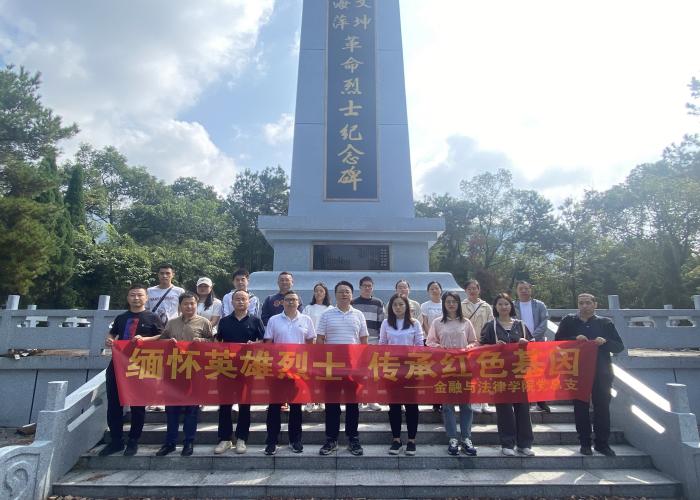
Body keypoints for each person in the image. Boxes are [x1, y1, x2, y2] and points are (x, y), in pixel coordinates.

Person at [555, 293, 624, 457]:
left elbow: (619, 346)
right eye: (581, 303)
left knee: (602, 408)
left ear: (595, 304)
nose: (584, 306)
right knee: (580, 408)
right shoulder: (569, 321)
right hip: (577, 372)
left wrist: (605, 342)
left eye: (588, 303)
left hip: (601, 372)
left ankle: (602, 443)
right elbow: (557, 342)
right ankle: (584, 443)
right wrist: (574, 339)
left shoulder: (605, 323)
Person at [99, 284, 163, 457]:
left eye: (140, 295)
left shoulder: (153, 317)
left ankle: (134, 440)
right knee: (114, 404)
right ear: (128, 298)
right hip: (118, 364)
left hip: (141, 364)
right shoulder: (121, 318)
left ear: (146, 298)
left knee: (138, 405)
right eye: (132, 295)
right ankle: (116, 441)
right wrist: (109, 340)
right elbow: (112, 333)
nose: (136, 298)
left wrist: (145, 339)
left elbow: (162, 336)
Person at [148, 292, 214, 457]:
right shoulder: (172, 323)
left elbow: (213, 344)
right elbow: (161, 341)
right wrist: (168, 342)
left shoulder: (204, 323)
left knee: (192, 408)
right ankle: (170, 443)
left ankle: (188, 442)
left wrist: (203, 342)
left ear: (196, 305)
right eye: (186, 304)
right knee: (171, 408)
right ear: (180, 306)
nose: (189, 307)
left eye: (192, 303)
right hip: (174, 370)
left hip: (194, 370)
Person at [317, 281, 369, 456]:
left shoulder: (359, 315)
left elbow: (363, 341)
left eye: (347, 292)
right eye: (341, 292)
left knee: (353, 404)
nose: (344, 294)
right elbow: (320, 339)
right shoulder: (327, 314)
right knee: (332, 404)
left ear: (352, 295)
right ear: (335, 294)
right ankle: (331, 439)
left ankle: (353, 438)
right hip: (332, 367)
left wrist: (362, 365)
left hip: (353, 367)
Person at [480, 292, 535, 457]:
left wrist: (526, 344)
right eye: (500, 304)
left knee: (523, 408)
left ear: (511, 306)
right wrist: (494, 346)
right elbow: (481, 348)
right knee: (504, 409)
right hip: (500, 374)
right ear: (495, 307)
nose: (503, 307)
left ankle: (524, 444)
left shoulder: (521, 325)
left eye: (506, 304)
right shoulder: (491, 326)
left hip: (519, 373)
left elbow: (535, 347)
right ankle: (507, 443)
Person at [426, 291, 479, 456]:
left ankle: (466, 437)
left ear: (458, 304)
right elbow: (429, 341)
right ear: (444, 304)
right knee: (448, 405)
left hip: (464, 367)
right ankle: (453, 438)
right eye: (448, 301)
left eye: (454, 301)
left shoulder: (466, 322)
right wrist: (439, 347)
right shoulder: (437, 322)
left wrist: (469, 347)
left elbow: (474, 341)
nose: (451, 304)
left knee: (466, 404)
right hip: (445, 367)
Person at [264, 290, 316, 455]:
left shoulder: (306, 319)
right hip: (278, 369)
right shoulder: (273, 320)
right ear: (282, 302)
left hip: (298, 369)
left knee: (296, 406)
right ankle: (271, 441)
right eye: (288, 300)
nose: (291, 302)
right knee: (274, 406)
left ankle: (295, 440)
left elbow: (310, 343)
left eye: (294, 300)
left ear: (299, 303)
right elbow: (268, 343)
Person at [213, 289, 265, 455]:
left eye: (243, 299)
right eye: (237, 299)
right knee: (225, 404)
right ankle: (225, 439)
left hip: (247, 368)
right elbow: (218, 341)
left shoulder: (256, 321)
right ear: (232, 302)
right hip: (227, 367)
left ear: (249, 302)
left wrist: (254, 344)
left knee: (244, 404)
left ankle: (242, 438)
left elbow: (264, 342)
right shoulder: (224, 321)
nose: (240, 302)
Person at [379, 294, 424, 456]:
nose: (398, 307)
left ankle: (411, 440)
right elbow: (382, 344)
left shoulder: (414, 323)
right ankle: (396, 439)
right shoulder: (386, 323)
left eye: (401, 304)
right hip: (392, 369)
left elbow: (419, 345)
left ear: (407, 306)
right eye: (395, 305)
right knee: (394, 406)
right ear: (390, 308)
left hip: (411, 368)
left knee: (411, 405)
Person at [513, 280, 552, 413]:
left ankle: (541, 402)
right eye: (521, 289)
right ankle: (524, 401)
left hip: (537, 343)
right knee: (521, 373)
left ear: (531, 290)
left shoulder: (539, 305)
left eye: (526, 288)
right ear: (517, 291)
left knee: (538, 373)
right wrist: (521, 338)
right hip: (519, 344)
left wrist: (532, 337)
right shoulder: (512, 305)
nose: (524, 291)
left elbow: (544, 322)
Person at [461, 279, 495, 414]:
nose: (472, 291)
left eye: (474, 288)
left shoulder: (486, 306)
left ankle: (484, 401)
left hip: (484, 343)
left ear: (479, 290)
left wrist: (487, 341)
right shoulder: (461, 305)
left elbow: (491, 324)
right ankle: (474, 400)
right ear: (465, 291)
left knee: (484, 373)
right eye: (469, 289)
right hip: (468, 344)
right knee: (472, 373)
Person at [351, 276, 384, 412]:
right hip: (357, 342)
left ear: (372, 287)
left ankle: (371, 400)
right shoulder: (353, 302)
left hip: (373, 341)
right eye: (365, 285)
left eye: (369, 286)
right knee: (357, 372)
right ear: (360, 287)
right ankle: (358, 400)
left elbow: (381, 323)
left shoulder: (378, 303)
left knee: (373, 372)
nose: (367, 288)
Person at [302, 282, 332, 412]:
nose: (318, 293)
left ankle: (321, 400)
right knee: (310, 374)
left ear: (325, 293)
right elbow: (304, 325)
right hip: (311, 345)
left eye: (321, 291)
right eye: (316, 291)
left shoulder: (331, 309)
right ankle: (310, 400)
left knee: (323, 373)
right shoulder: (308, 308)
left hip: (325, 346)